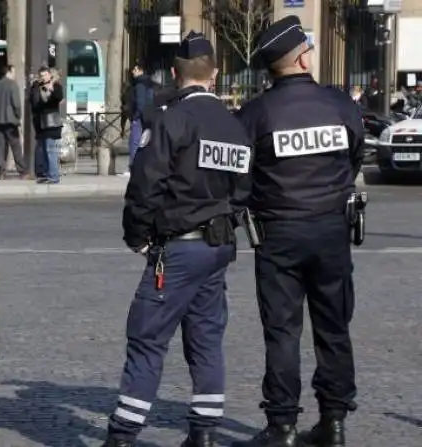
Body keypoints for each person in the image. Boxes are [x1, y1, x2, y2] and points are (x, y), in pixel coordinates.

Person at [104, 31, 251, 447]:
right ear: (216, 74)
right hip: (219, 247)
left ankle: (122, 436)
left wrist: (137, 236)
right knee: (206, 339)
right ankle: (203, 433)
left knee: (147, 338)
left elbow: (145, 184)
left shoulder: (171, 119)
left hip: (179, 246)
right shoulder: (235, 125)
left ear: (174, 72)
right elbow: (244, 190)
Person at [231, 15, 364, 447]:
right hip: (331, 230)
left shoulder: (255, 114)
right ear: (303, 57)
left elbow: (239, 179)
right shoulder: (339, 104)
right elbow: (356, 157)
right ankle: (335, 421)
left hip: (277, 234)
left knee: (283, 332)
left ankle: (282, 426)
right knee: (334, 327)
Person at [0, 64, 28, 179]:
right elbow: (16, 104)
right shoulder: (12, 85)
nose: (14, 74)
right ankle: (22, 171)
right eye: (13, 71)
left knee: (0, 146)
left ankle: (1, 171)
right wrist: (18, 116)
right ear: (8, 72)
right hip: (10, 121)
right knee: (16, 146)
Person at [29, 66, 64, 184]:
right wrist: (34, 87)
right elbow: (33, 102)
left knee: (50, 150)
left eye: (45, 75)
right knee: (43, 150)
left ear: (50, 75)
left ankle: (53, 176)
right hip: (40, 124)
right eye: (41, 75)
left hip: (51, 123)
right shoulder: (37, 87)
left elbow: (58, 97)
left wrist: (51, 89)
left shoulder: (56, 86)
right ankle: (46, 173)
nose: (43, 78)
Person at [120, 62, 155, 177]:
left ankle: (133, 168)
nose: (132, 72)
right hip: (148, 116)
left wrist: (135, 117)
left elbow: (140, 103)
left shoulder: (139, 84)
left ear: (141, 70)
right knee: (144, 143)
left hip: (139, 117)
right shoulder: (149, 83)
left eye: (135, 70)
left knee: (134, 143)